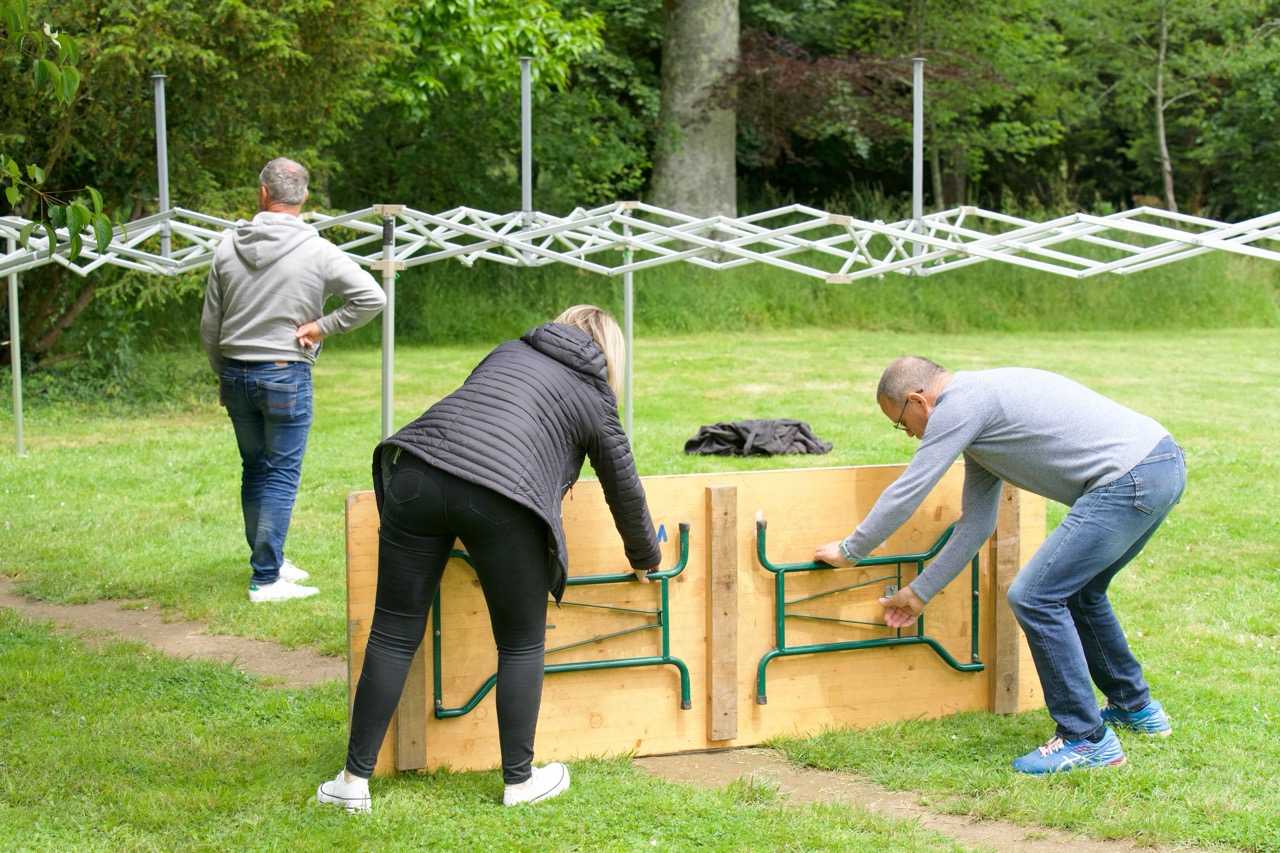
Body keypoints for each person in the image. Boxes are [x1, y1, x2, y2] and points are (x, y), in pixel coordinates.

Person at [316, 305, 662, 812]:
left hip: (417, 472)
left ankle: (352, 782)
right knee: (521, 643)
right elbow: (623, 485)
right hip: (503, 496)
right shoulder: (594, 393)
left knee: (392, 632)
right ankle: (519, 784)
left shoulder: (509, 350)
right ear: (610, 354)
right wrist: (645, 556)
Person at [814, 356, 1185, 775]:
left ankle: (1085, 739)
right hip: (1161, 464)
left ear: (918, 401)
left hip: (1127, 478)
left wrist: (851, 550)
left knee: (1034, 596)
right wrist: (920, 592)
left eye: (902, 423)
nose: (911, 435)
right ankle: (1135, 708)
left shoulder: (959, 404)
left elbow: (910, 489)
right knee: (1081, 593)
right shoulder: (981, 417)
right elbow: (977, 523)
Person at [200, 157, 386, 603]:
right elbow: (372, 297)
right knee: (281, 475)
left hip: (236, 372)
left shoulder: (226, 247)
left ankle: (272, 561)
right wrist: (323, 327)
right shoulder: (317, 250)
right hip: (285, 374)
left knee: (255, 470)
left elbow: (210, 325)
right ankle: (266, 579)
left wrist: (224, 374)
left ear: (263, 193)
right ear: (303, 197)